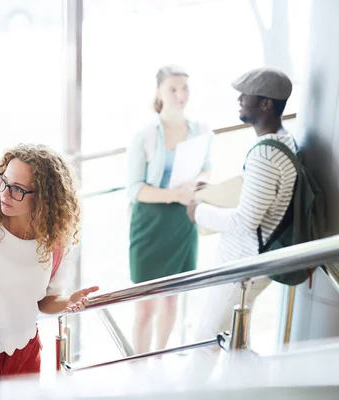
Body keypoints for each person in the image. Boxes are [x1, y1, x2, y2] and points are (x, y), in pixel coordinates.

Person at [0, 143, 99, 384]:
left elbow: (45, 301)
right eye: (3, 182)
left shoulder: (56, 244)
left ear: (44, 197)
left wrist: (67, 302)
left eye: (18, 189)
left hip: (26, 354)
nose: (5, 193)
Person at [187, 67, 296, 378]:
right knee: (229, 336)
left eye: (246, 94)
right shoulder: (284, 142)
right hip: (254, 259)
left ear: (266, 104)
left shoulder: (265, 155)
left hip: (243, 263)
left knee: (205, 339)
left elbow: (246, 221)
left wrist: (199, 211)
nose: (239, 98)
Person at [127, 65, 213, 355]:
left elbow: (207, 168)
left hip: (183, 221)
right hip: (150, 223)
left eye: (185, 88)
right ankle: (139, 365)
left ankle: (159, 358)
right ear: (159, 93)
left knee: (172, 299)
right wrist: (175, 194)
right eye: (173, 89)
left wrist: (196, 184)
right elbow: (135, 189)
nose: (180, 95)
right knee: (146, 304)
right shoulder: (144, 135)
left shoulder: (201, 130)